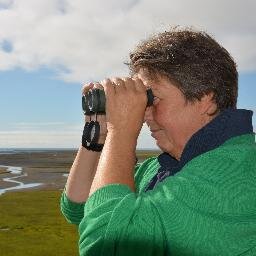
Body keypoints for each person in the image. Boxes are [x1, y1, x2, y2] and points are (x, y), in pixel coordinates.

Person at [60, 28, 256, 255]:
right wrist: (97, 136)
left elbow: (103, 244)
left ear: (206, 100)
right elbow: (79, 208)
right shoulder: (164, 166)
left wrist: (121, 131)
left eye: (153, 99)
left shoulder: (235, 175)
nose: (143, 115)